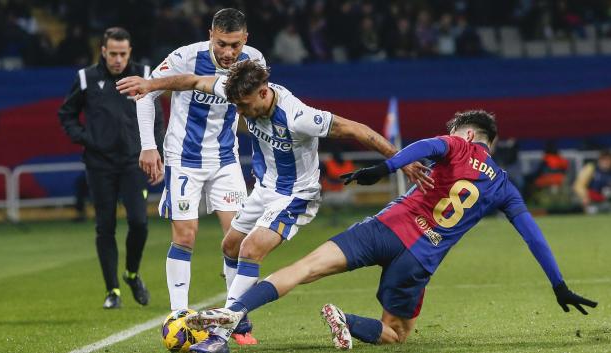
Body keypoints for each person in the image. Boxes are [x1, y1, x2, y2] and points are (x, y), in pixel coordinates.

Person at [182, 110, 597, 351]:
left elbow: (425, 148)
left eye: (454, 133)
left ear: (468, 134)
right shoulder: (505, 186)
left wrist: (384, 166)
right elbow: (532, 235)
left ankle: (235, 312)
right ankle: (347, 321)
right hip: (420, 258)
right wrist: (558, 284)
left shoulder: (458, 144)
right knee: (396, 334)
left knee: (306, 267)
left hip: (385, 227)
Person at [117, 59, 432, 353]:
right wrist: (152, 84)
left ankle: (220, 335)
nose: (239, 111)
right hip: (265, 190)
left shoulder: (298, 116)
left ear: (264, 92)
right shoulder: (239, 90)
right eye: (236, 105)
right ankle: (240, 316)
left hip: (296, 195)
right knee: (230, 246)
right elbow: (194, 80)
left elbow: (355, 129)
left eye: (243, 105)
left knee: (251, 250)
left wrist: (400, 162)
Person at [133, 8, 266, 345]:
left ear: (245, 40)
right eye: (222, 44)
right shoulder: (184, 57)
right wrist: (149, 146)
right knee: (185, 236)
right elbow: (146, 94)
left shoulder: (254, 61)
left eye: (235, 45)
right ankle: (179, 317)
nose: (228, 52)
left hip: (225, 160)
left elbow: (259, 109)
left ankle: (236, 320)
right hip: (183, 159)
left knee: (238, 240)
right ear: (211, 35)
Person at [58, 27, 165, 309]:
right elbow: (66, 113)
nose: (118, 59)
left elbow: (157, 117)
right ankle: (112, 291)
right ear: (103, 51)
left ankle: (131, 274)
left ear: (129, 52)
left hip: (133, 163)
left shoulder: (144, 74)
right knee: (105, 227)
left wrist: (157, 152)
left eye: (122, 53)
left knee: (139, 224)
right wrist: (86, 139)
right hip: (100, 165)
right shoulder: (86, 78)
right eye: (112, 53)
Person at [573, 150, 611, 214]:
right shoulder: (591, 168)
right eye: (604, 159)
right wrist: (584, 197)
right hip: (592, 200)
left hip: (606, 201)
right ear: (599, 160)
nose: (606, 162)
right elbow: (578, 185)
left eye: (608, 159)